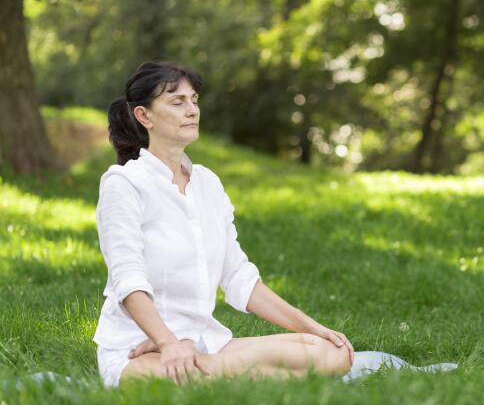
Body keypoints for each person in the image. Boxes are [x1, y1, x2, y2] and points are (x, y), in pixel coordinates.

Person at [94, 61, 354, 388]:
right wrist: (168, 343)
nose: (192, 110)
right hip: (138, 349)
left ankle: (216, 370)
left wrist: (312, 327)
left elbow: (238, 276)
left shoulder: (207, 183)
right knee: (188, 376)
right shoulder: (124, 183)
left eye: (194, 100)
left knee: (333, 352)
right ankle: (223, 373)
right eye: (178, 102)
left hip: (207, 345)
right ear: (144, 116)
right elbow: (127, 279)